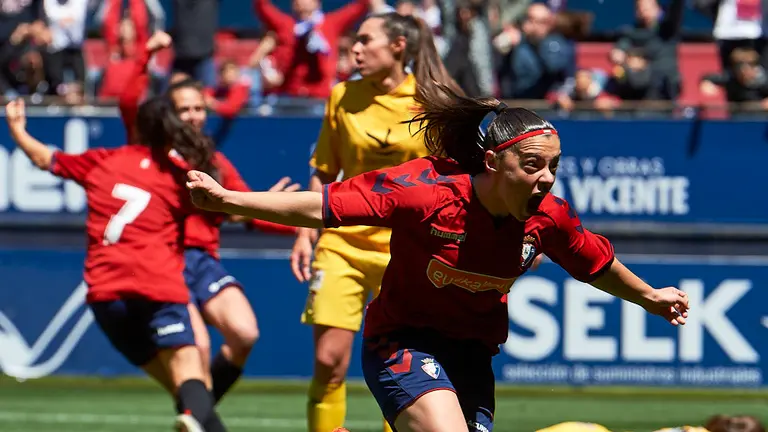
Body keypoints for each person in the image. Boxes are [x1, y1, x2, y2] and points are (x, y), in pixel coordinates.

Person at [185, 87, 690, 432]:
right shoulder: (423, 192)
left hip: (472, 356)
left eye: (553, 166)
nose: (547, 178)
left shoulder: (548, 218)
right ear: (494, 162)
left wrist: (650, 297)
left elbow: (593, 264)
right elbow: (324, 205)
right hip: (400, 343)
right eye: (532, 165)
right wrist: (230, 200)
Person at [6, 97, 226, 432]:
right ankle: (191, 417)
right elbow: (222, 208)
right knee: (191, 377)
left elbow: (44, 158)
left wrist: (18, 130)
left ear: (137, 128)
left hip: (106, 296)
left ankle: (193, 418)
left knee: (183, 393)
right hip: (156, 286)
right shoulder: (177, 175)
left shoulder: (104, 160)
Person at [288, 12, 463, 432]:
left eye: (366, 40)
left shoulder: (432, 100)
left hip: (407, 250)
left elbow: (453, 178)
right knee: (329, 360)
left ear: (398, 46)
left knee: (405, 367)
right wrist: (303, 233)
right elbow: (325, 171)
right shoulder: (341, 96)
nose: (356, 49)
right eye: (355, 41)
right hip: (342, 242)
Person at [116, 32, 299, 402]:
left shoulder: (213, 160)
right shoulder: (153, 151)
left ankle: (198, 412)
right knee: (196, 350)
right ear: (169, 114)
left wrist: (304, 227)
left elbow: (248, 209)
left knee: (244, 333)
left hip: (203, 260)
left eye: (199, 108)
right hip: (167, 260)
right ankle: (199, 416)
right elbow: (128, 103)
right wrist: (145, 58)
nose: (194, 116)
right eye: (184, 109)